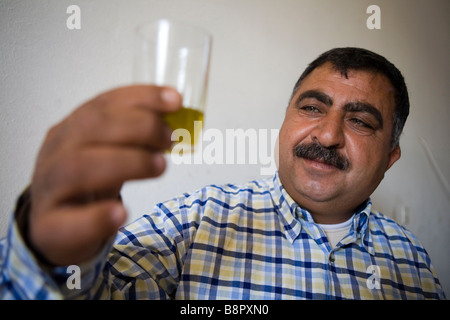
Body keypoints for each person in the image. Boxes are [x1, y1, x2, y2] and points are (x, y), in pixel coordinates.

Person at [0, 47, 445, 299]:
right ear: (286, 121)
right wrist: (50, 256)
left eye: (361, 121)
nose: (327, 134)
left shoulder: (413, 261)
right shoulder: (198, 219)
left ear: (390, 157)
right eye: (312, 107)